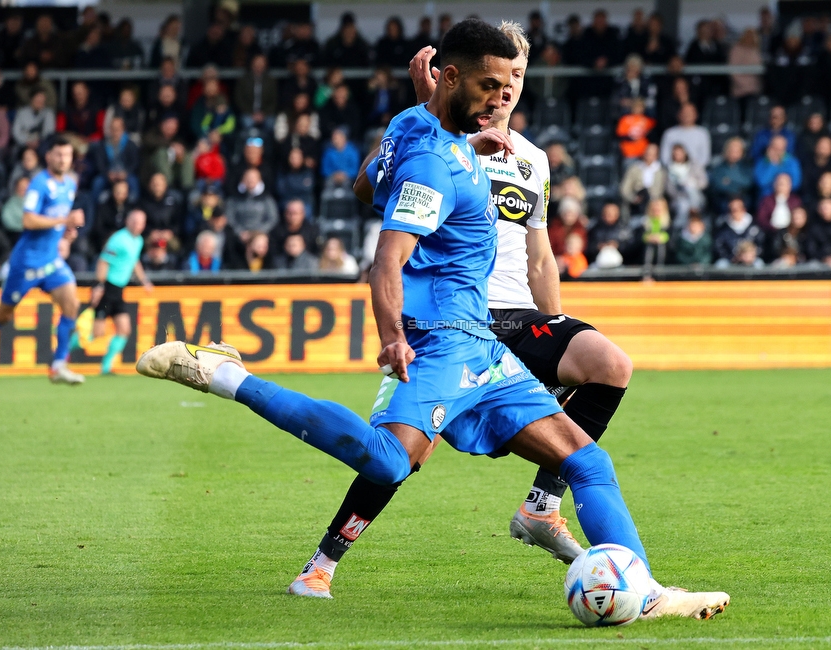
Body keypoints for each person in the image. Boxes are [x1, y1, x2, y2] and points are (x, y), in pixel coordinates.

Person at [137, 20, 729, 618]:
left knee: (586, 459)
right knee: (392, 460)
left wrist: (448, 131)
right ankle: (227, 377)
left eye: (512, 83)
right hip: (444, 341)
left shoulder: (430, 129)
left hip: (486, 349)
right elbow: (387, 257)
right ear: (449, 77)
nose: (503, 98)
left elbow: (369, 185)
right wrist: (393, 336)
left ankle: (645, 591)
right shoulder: (432, 164)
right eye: (491, 85)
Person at [0, 136, 85, 384]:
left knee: (72, 304)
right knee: (3, 315)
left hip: (51, 260)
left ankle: (58, 365)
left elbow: (58, 220)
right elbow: (29, 221)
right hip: (26, 263)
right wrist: (63, 222)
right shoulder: (39, 184)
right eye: (58, 154)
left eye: (67, 155)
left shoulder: (69, 184)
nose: (63, 159)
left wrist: (68, 231)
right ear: (49, 157)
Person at [80, 210, 153, 375]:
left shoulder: (138, 241)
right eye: (134, 221)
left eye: (140, 222)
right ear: (127, 221)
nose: (137, 225)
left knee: (124, 329)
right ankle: (62, 353)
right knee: (95, 333)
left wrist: (145, 282)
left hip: (119, 290)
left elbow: (134, 261)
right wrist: (98, 285)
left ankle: (106, 367)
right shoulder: (118, 239)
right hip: (108, 287)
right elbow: (103, 262)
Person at [714, 196, 764, 266]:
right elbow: (719, 246)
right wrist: (732, 257)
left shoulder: (754, 226)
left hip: (751, 259)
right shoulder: (723, 227)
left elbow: (760, 244)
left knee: (759, 264)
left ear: (743, 210)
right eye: (731, 210)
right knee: (721, 264)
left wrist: (751, 255)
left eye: (737, 209)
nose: (734, 212)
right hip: (730, 260)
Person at [621, 142, 665, 218]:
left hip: (653, 201)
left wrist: (653, 200)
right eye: (647, 153)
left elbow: (661, 189)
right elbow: (625, 188)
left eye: (652, 154)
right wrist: (633, 198)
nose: (649, 156)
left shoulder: (661, 171)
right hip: (636, 200)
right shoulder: (634, 169)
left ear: (656, 156)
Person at [708, 138, 752, 214]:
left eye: (737, 151)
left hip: (743, 197)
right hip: (725, 198)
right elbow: (718, 185)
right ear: (726, 151)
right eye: (731, 151)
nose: (733, 154)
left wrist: (729, 180)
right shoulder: (719, 167)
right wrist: (737, 184)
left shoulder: (746, 167)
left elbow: (748, 182)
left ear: (742, 153)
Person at [805, 198, 831, 267]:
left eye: (827, 207)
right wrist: (824, 259)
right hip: (819, 261)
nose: (825, 210)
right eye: (823, 208)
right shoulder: (814, 227)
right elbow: (811, 249)